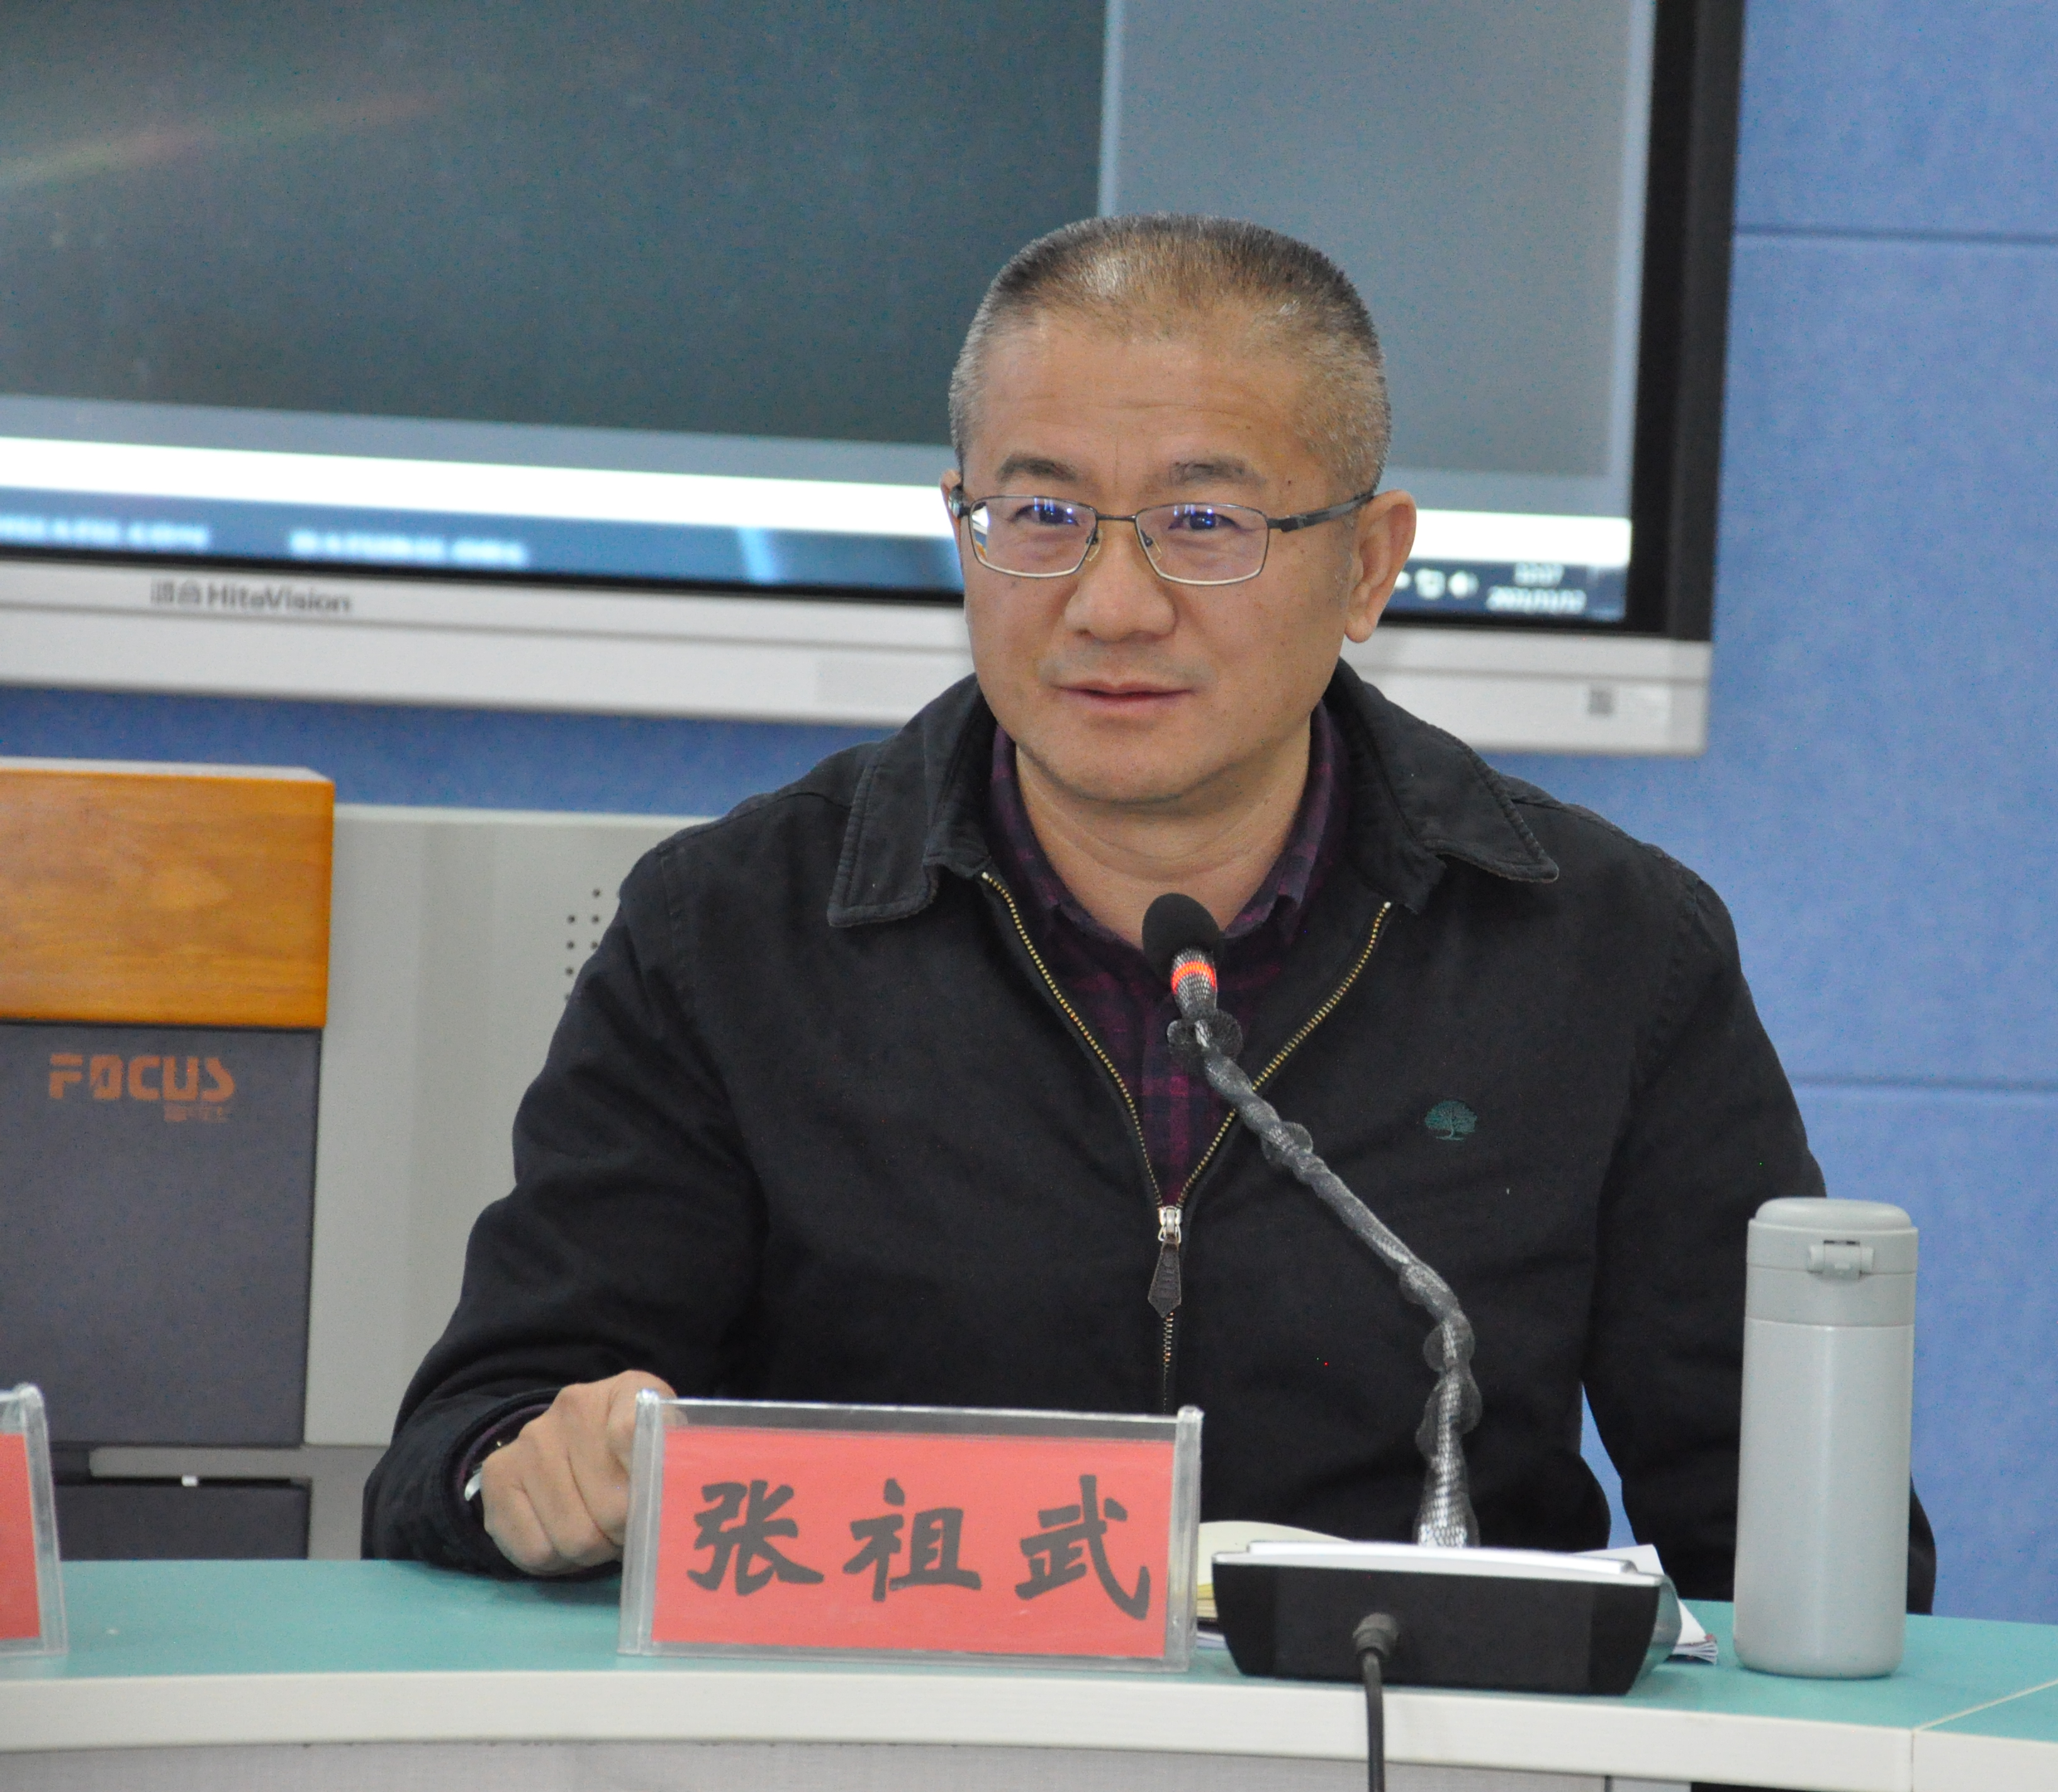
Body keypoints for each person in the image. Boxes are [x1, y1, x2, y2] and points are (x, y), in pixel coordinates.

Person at [366, 215, 1935, 1608]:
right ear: (961, 526)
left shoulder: (1603, 951)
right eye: (1039, 517)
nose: (1111, 605)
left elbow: (1794, 1551)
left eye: (1204, 525)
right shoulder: (732, 932)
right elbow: (457, 1452)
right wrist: (534, 1476)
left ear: (1368, 565)